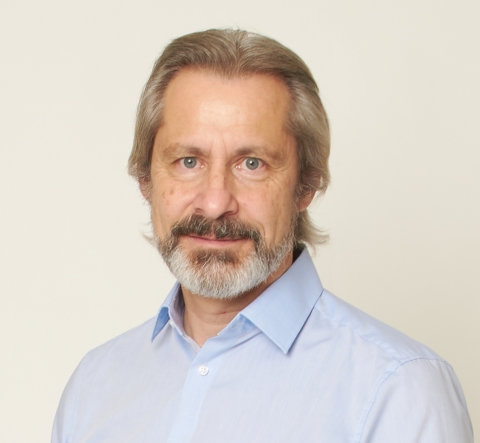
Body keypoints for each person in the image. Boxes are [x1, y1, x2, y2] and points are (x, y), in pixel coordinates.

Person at [51, 29, 473, 443]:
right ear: (146, 179)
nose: (215, 203)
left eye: (252, 164)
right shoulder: (94, 386)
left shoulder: (397, 390)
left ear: (305, 186)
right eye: (188, 161)